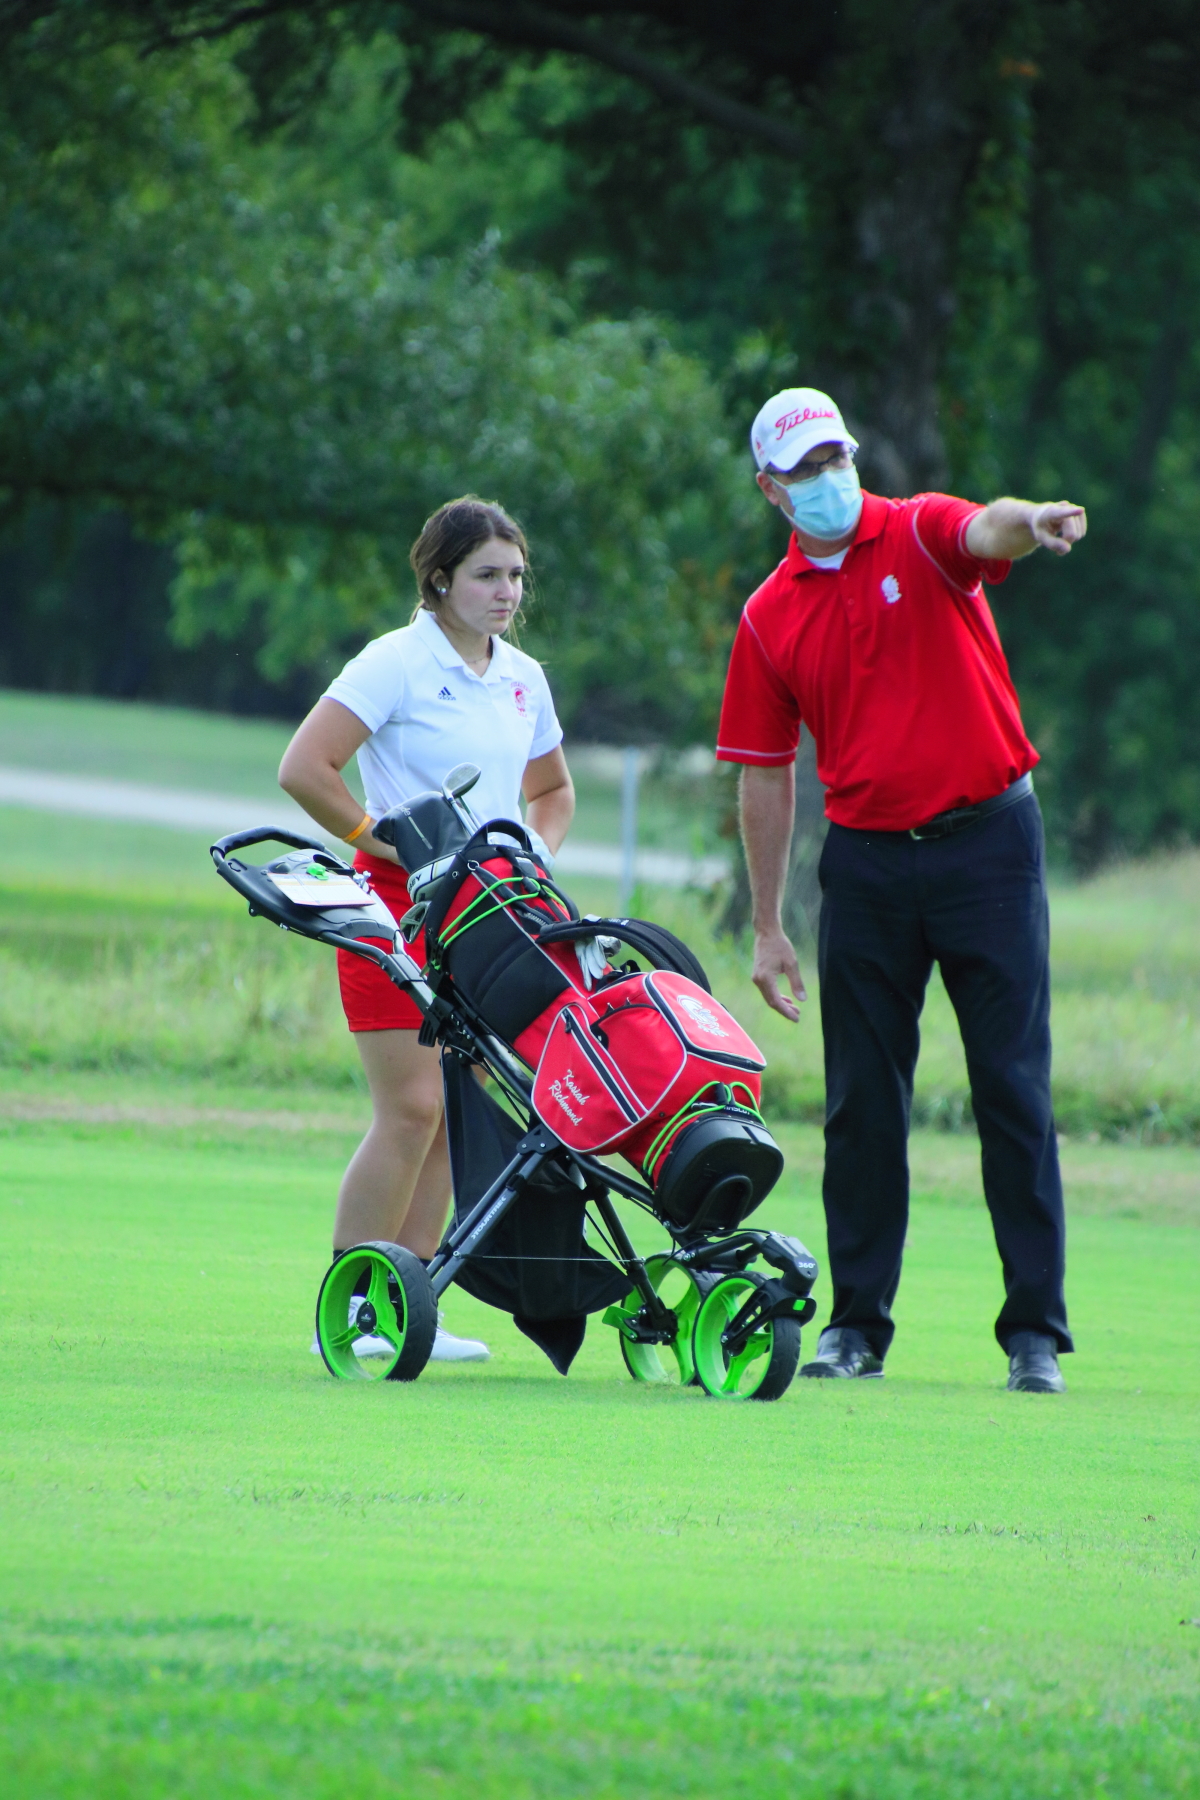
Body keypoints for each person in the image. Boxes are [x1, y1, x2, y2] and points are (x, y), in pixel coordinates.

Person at [717, 388, 1087, 1394]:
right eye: (803, 470)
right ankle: (857, 1328)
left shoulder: (918, 533)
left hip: (988, 847)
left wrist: (1036, 519)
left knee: (1011, 1088)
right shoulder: (768, 615)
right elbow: (763, 769)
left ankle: (1034, 1336)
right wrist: (767, 925)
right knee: (862, 1107)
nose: (828, 478)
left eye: (835, 456)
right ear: (771, 490)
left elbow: (985, 525)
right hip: (870, 865)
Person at [279, 496, 575, 1362]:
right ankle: (356, 1307)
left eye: (516, 576)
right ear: (439, 578)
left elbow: (552, 793)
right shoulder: (395, 663)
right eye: (487, 575)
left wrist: (534, 857)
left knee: (452, 1112)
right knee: (409, 1109)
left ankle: (409, 1300)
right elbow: (306, 767)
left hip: (487, 914)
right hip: (394, 907)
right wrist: (384, 838)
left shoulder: (523, 677)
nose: (506, 592)